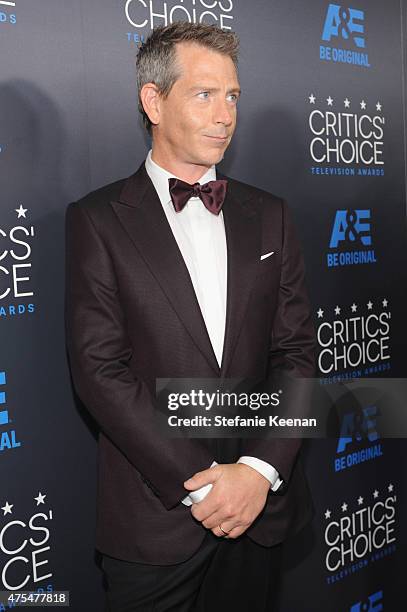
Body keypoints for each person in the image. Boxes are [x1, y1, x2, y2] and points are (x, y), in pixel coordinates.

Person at [65, 21, 316, 612]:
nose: (224, 113)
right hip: (155, 525)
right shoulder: (98, 219)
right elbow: (100, 371)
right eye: (204, 94)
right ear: (153, 101)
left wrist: (257, 471)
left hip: (259, 513)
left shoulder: (272, 215)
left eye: (232, 95)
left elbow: (298, 355)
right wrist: (205, 483)